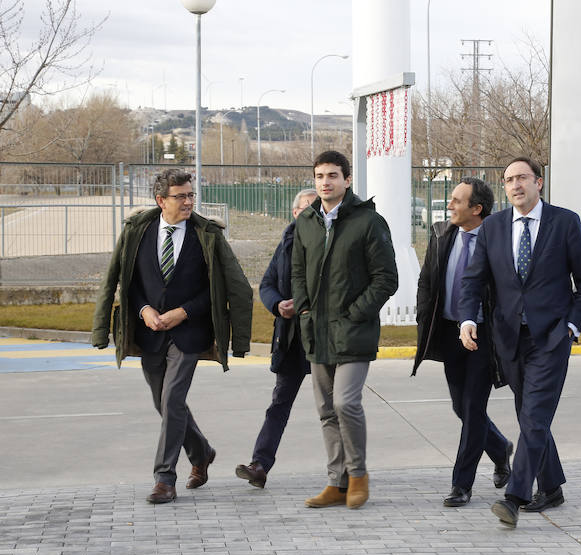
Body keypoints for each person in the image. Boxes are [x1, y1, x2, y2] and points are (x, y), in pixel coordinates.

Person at [92, 169, 253, 504]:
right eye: (181, 196)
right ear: (161, 200)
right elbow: (126, 282)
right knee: (162, 403)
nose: (189, 202)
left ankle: (165, 478)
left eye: (191, 195)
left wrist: (184, 312)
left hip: (190, 334)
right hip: (150, 333)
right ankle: (202, 451)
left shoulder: (206, 235)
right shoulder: (138, 231)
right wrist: (144, 311)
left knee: (172, 400)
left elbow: (221, 286)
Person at [459, 156, 581, 527]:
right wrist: (468, 318)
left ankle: (515, 496)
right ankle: (551, 486)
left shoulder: (564, 223)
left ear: (539, 182)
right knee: (529, 416)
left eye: (522, 178)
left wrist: (572, 326)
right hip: (509, 339)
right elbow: (474, 279)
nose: (515, 185)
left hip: (552, 337)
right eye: (508, 180)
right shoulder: (493, 228)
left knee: (534, 418)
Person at [291, 150, 398, 510]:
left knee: (345, 402)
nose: (325, 182)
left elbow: (386, 279)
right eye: (320, 175)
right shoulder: (306, 221)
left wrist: (355, 313)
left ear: (347, 180)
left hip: (353, 331)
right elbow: (297, 272)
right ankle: (336, 483)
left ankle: (358, 476)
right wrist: (304, 309)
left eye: (333, 175)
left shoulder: (368, 222)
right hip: (317, 331)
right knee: (325, 409)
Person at [412, 178, 513, 507]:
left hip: (484, 337)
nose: (450, 205)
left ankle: (462, 484)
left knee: (472, 409)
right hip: (449, 332)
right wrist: (423, 316)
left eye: (457, 200)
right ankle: (500, 449)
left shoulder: (499, 239)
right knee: (461, 407)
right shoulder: (443, 234)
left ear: (477, 209)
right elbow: (427, 280)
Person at [235, 189, 316, 488]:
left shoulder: (328, 242)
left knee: (334, 408)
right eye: (304, 209)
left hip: (321, 338)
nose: (309, 213)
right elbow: (267, 283)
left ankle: (348, 470)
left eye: (315, 208)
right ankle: (259, 465)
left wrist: (305, 302)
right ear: (294, 214)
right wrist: (277, 304)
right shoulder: (287, 242)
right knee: (279, 405)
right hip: (291, 339)